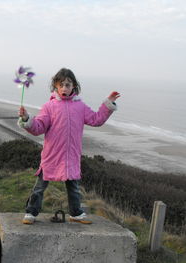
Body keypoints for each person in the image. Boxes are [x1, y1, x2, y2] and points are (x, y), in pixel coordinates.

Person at [18, 68, 120, 224]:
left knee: (73, 187)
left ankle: (76, 213)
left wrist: (108, 104)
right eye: (61, 85)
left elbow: (96, 119)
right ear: (56, 87)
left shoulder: (80, 107)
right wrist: (27, 119)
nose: (65, 88)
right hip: (51, 155)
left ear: (74, 86)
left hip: (71, 155)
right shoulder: (49, 107)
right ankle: (31, 213)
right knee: (39, 187)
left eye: (68, 84)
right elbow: (38, 127)